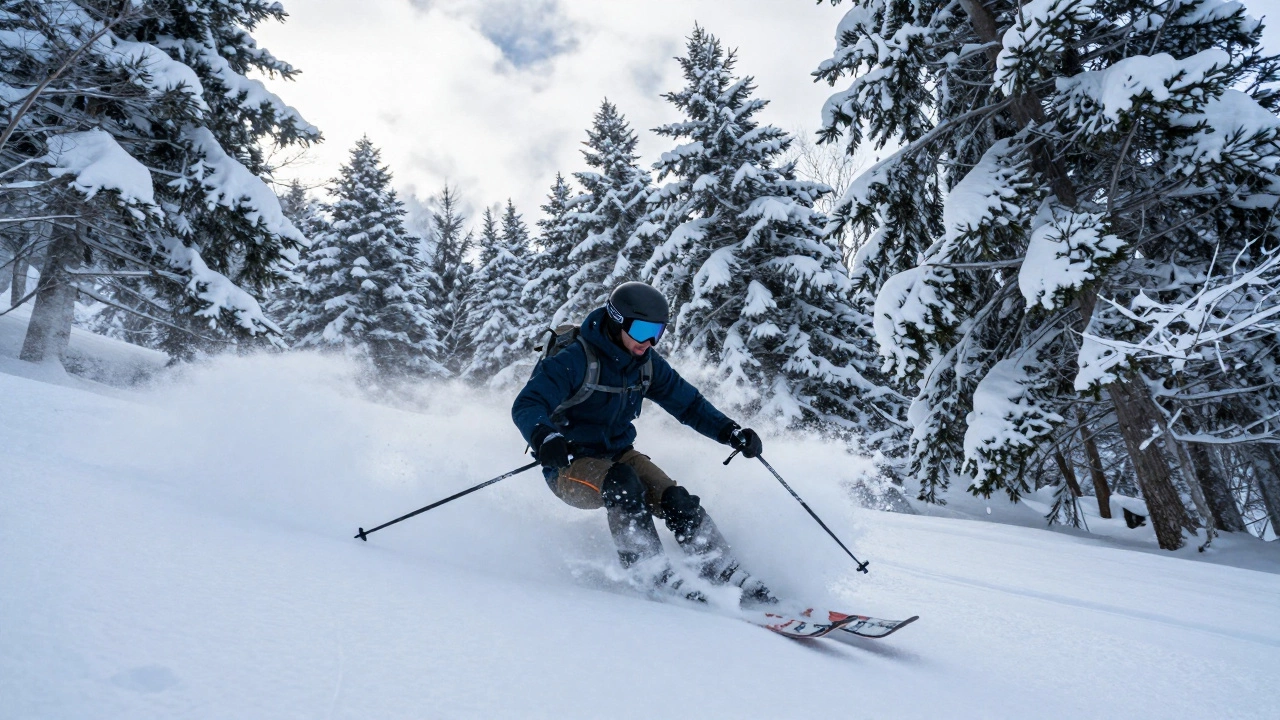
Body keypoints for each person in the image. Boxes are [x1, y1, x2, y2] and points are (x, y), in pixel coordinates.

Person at [512, 281, 775, 605]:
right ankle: (650, 571)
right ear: (617, 321)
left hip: (619, 454)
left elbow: (689, 405)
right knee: (623, 483)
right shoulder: (576, 359)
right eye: (642, 331)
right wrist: (544, 435)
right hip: (569, 464)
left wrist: (730, 432)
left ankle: (723, 569)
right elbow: (528, 403)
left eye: (657, 332)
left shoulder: (646, 365)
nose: (649, 341)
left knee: (677, 499)